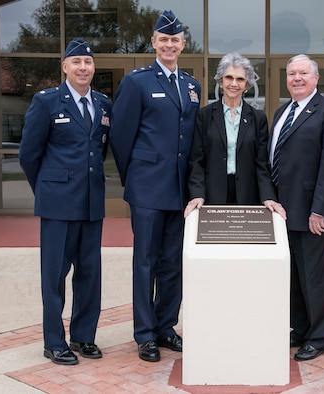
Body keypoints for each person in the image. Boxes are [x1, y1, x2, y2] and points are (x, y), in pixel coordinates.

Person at [109, 10, 201, 362]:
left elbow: (190, 140)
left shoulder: (191, 85)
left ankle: (165, 327)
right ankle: (144, 334)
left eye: (175, 40)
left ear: (182, 44)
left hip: (179, 192)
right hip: (147, 189)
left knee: (172, 263)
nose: (170, 45)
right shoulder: (137, 82)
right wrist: (133, 178)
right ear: (154, 43)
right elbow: (120, 137)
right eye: (164, 39)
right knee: (145, 263)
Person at [19, 38, 112, 365]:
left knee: (90, 274)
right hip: (58, 205)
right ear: (65, 67)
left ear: (93, 67)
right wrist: (47, 189)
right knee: (54, 275)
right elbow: (29, 155)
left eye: (87, 62)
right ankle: (54, 341)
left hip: (90, 203)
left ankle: (84, 336)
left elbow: (99, 151)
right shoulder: (46, 102)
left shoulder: (102, 104)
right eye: (76, 63)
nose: (83, 68)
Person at [269, 54, 324, 361]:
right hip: (283, 211)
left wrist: (321, 210)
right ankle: (300, 328)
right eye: (292, 74)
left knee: (314, 277)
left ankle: (318, 335)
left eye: (303, 73)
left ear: (317, 78)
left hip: (312, 212)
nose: (297, 78)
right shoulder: (281, 112)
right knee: (291, 275)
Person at [184, 52, 285, 219]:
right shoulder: (204, 115)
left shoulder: (258, 118)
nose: (234, 83)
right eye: (229, 77)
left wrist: (268, 196)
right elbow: (196, 161)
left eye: (240, 79)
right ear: (221, 82)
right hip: (212, 194)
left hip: (247, 194)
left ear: (247, 85)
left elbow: (261, 164)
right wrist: (197, 194)